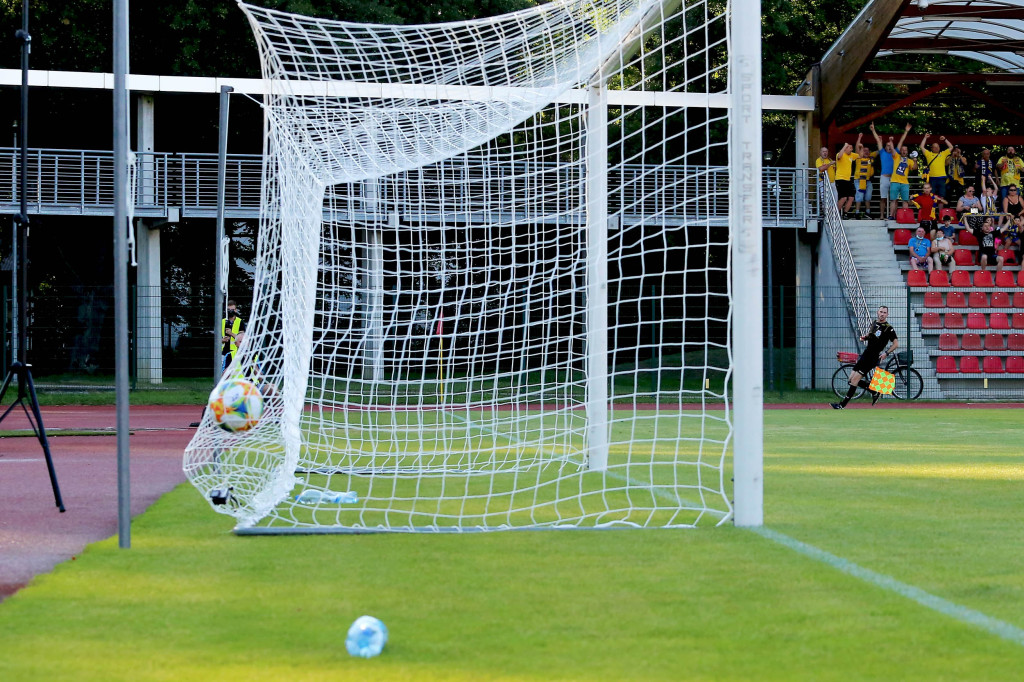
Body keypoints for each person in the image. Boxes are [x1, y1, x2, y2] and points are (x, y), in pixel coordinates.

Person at [830, 306, 899, 409]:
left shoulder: (889, 328)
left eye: (884, 312)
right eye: (881, 312)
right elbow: (871, 334)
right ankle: (874, 391)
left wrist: (886, 353)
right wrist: (865, 337)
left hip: (872, 357)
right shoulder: (875, 323)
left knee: (854, 381)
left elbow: (896, 344)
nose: (882, 314)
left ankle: (841, 405)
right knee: (850, 380)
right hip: (865, 354)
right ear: (877, 312)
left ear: (887, 314)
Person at [869, 122, 911, 219]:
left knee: (895, 199)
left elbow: (901, 141)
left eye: (890, 145)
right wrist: (873, 130)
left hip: (894, 178)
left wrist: (906, 131)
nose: (889, 146)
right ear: (885, 147)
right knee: (883, 198)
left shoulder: (896, 153)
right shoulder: (882, 152)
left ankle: (894, 215)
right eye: (887, 145)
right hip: (884, 177)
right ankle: (882, 215)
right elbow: (878, 141)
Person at [919, 134, 954, 198]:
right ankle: (932, 208)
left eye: (937, 146)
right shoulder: (928, 154)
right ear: (931, 148)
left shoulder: (943, 154)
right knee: (931, 196)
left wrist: (945, 139)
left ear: (939, 148)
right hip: (932, 178)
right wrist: (925, 138)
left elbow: (951, 147)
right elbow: (921, 146)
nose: (936, 148)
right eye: (934, 147)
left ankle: (941, 208)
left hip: (942, 178)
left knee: (942, 196)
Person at [888, 143, 917, 214]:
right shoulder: (896, 156)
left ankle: (905, 216)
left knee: (905, 200)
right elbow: (892, 149)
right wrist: (891, 141)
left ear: (907, 152)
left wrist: (915, 161)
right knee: (893, 200)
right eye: (902, 150)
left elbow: (914, 168)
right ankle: (891, 215)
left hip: (905, 183)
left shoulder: (910, 160)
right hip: (894, 181)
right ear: (900, 151)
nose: (904, 151)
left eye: (905, 150)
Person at [221, 299, 247, 374]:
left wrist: (231, 333)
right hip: (223, 352)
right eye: (228, 310)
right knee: (223, 372)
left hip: (235, 352)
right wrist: (222, 340)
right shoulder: (222, 321)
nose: (230, 312)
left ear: (235, 310)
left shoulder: (240, 322)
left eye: (232, 310)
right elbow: (216, 337)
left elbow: (242, 338)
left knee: (235, 372)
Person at [835, 137, 858, 218]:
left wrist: (861, 147)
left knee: (851, 197)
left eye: (852, 147)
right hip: (840, 179)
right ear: (845, 148)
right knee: (843, 198)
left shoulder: (851, 155)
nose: (851, 149)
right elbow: (839, 157)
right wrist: (844, 146)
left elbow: (860, 156)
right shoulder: (840, 154)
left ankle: (845, 213)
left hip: (848, 179)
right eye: (849, 147)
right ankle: (836, 213)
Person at [852, 146, 875, 218]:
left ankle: (868, 213)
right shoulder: (858, 158)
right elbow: (857, 149)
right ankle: (857, 213)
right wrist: (859, 138)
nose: (866, 152)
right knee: (859, 196)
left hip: (868, 181)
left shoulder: (870, 159)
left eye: (868, 151)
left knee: (868, 196)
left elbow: (879, 151)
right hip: (859, 180)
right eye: (864, 150)